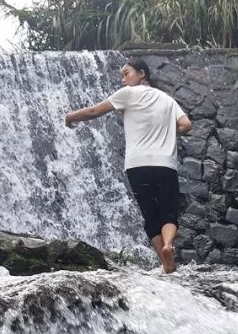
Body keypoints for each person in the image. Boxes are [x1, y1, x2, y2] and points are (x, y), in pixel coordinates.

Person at [64, 58, 192, 274]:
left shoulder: (128, 94)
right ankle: (170, 246)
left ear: (142, 74)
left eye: (127, 73)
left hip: (137, 165)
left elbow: (95, 111)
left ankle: (165, 261)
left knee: (150, 215)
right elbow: (186, 125)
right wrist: (167, 132)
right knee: (168, 212)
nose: (123, 79)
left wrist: (70, 117)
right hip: (165, 164)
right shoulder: (167, 100)